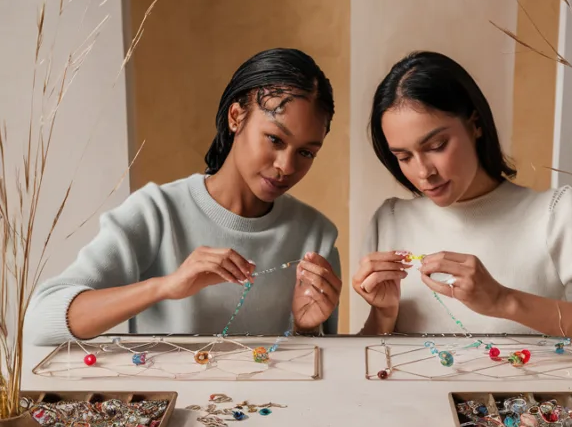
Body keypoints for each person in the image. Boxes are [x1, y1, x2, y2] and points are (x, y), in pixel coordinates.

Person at [353, 50, 572, 348]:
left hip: (522, 408)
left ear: (475, 124)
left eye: (436, 145)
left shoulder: (554, 214)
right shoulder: (390, 220)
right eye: (404, 156)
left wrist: (505, 301)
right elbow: (368, 363)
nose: (424, 173)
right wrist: (383, 315)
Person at [26, 48, 342, 344]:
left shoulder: (316, 236)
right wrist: (165, 286)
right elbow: (40, 322)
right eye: (275, 139)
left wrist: (306, 329)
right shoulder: (156, 214)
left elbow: (318, 375)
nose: (286, 166)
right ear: (236, 117)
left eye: (306, 152)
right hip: (171, 404)